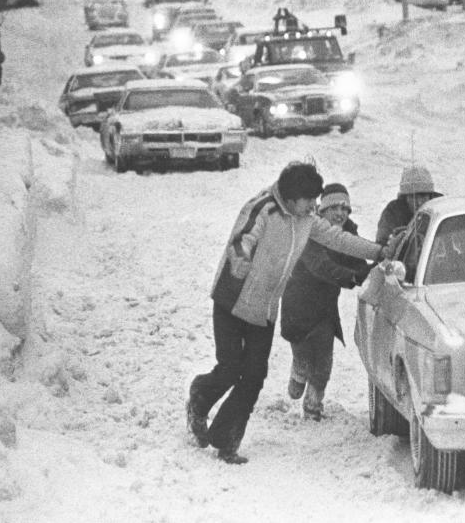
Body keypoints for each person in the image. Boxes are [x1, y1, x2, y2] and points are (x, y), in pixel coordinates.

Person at [187, 162, 387, 464]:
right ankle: (199, 399)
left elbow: (338, 238)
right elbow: (244, 237)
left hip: (265, 308)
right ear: (293, 197)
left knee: (254, 375)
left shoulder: (305, 219)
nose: (312, 207)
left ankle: (225, 440)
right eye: (309, 201)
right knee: (230, 368)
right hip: (232, 300)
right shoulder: (263, 208)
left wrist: (379, 252)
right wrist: (240, 257)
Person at [280, 183, 371, 421]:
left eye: (345, 208)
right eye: (335, 208)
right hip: (298, 305)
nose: (341, 213)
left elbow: (357, 258)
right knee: (302, 350)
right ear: (323, 210)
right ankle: (299, 368)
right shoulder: (310, 231)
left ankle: (313, 406)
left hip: (324, 309)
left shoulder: (347, 232)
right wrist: (352, 276)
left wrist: (368, 270)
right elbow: (321, 267)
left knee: (323, 360)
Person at [376, 165, 442, 244]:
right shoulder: (393, 213)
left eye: (423, 196)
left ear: (430, 196)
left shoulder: (441, 206)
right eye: (413, 197)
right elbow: (382, 245)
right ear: (405, 198)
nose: (419, 202)